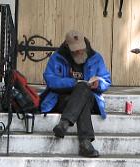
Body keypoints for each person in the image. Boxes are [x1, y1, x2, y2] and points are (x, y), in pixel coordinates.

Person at [41, 30, 111, 158]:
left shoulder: (96, 57)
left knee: (83, 89)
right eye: (75, 50)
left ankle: (64, 123)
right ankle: (85, 143)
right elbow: (51, 80)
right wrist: (73, 83)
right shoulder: (57, 57)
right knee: (81, 94)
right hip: (62, 99)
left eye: (81, 49)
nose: (79, 52)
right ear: (67, 47)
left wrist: (99, 84)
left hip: (90, 98)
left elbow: (106, 80)